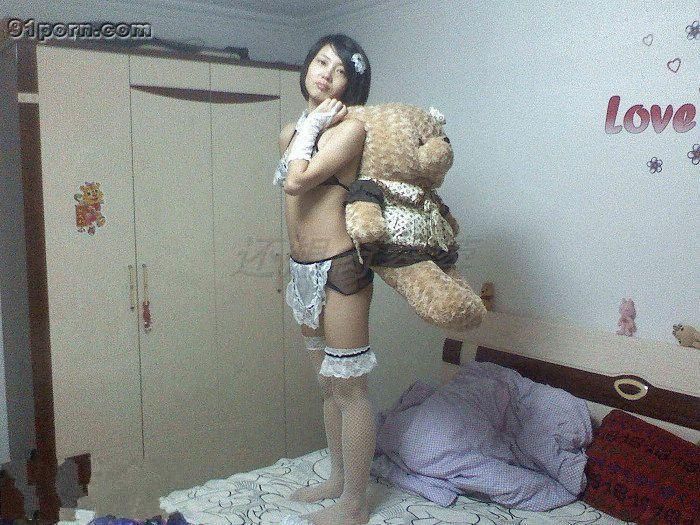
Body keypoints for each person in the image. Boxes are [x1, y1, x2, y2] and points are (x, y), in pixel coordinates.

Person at [273, 34, 374, 525]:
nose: (325, 74)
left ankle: (355, 504)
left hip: (341, 267)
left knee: (350, 389)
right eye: (320, 62)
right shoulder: (290, 131)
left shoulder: (349, 130)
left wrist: (313, 125)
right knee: (327, 386)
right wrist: (306, 126)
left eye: (338, 71)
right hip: (301, 270)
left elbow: (297, 181)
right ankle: (337, 480)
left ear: (349, 85)